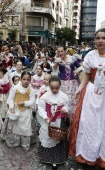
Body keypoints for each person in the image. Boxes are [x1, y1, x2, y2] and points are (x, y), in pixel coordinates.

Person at [69, 28, 105, 169]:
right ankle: (85, 155)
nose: (101, 41)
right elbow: (87, 76)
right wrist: (79, 89)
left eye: (103, 38)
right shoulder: (90, 55)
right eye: (98, 38)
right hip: (91, 94)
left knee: (102, 125)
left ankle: (100, 157)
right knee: (86, 123)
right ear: (94, 40)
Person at [38, 76, 69, 170]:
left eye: (57, 88)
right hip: (49, 122)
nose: (54, 90)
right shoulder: (45, 97)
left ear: (60, 86)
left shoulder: (64, 96)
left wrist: (65, 109)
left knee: (58, 139)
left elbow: (67, 106)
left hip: (60, 122)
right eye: (52, 88)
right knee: (48, 137)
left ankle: (57, 159)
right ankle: (46, 157)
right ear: (49, 86)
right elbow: (41, 108)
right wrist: (45, 117)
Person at [0, 71, 35, 150]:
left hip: (26, 111)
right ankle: (14, 141)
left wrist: (25, 103)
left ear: (30, 80)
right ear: (20, 80)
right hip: (16, 110)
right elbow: (10, 99)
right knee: (15, 126)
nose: (26, 81)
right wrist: (11, 108)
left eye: (28, 80)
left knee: (25, 126)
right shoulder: (15, 88)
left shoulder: (31, 89)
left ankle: (24, 142)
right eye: (24, 79)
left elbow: (33, 101)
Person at [53, 46, 81, 118]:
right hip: (62, 82)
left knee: (72, 99)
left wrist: (76, 72)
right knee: (63, 98)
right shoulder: (57, 59)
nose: (60, 53)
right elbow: (54, 69)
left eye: (62, 51)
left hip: (72, 82)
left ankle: (71, 117)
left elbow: (80, 67)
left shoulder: (72, 58)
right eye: (58, 52)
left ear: (65, 51)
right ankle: (63, 116)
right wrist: (57, 62)